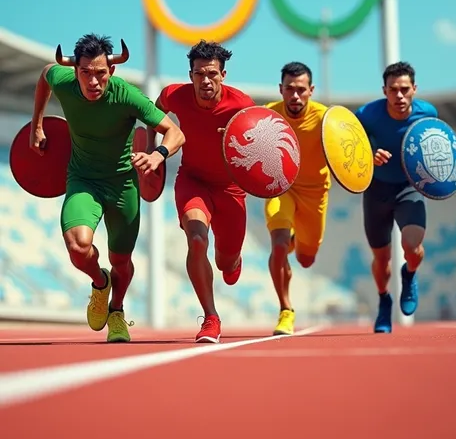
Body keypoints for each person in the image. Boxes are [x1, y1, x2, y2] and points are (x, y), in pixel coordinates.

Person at [30, 33, 185, 343]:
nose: (93, 81)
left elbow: (174, 132)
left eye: (100, 73)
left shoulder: (127, 96)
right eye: (85, 72)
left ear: (111, 71)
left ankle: (116, 312)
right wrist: (37, 124)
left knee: (122, 262)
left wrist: (158, 154)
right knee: (78, 247)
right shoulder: (64, 81)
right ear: (75, 71)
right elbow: (46, 74)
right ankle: (100, 283)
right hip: (83, 180)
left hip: (123, 187)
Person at [149, 39, 255, 344]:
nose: (205, 81)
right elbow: (154, 113)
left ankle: (233, 260)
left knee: (226, 264)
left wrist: (238, 139)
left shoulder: (243, 105)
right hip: (192, 180)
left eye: (212, 74)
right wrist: (151, 149)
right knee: (196, 240)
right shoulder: (174, 95)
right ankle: (211, 317)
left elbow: (262, 148)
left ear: (223, 74)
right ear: (191, 74)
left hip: (231, 189)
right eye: (199, 74)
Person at [355, 61, 438, 334]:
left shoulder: (429, 114)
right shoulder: (367, 114)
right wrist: (370, 151)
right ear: (384, 90)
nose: (399, 96)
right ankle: (384, 299)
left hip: (409, 187)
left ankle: (410, 274)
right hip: (377, 191)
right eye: (393, 90)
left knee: (412, 248)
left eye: (404, 89)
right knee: (381, 260)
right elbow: (348, 143)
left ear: (414, 89)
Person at [264, 62, 331, 336]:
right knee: (278, 245)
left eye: (301, 90)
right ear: (280, 89)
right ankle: (285, 310)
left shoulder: (328, 120)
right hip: (281, 188)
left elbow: (350, 153)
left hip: (315, 195)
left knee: (306, 259)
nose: (295, 96)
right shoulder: (267, 115)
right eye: (289, 89)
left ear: (311, 90)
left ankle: (295, 241)